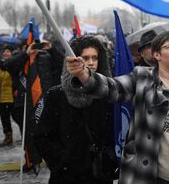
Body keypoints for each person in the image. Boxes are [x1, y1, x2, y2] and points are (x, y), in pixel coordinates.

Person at [66, 30, 169, 184]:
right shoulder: (142, 78)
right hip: (149, 174)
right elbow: (112, 88)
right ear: (157, 55)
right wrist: (83, 74)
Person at [34, 36, 117, 184]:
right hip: (67, 176)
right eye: (85, 57)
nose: (91, 62)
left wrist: (109, 156)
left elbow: (114, 132)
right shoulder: (57, 94)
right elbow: (42, 136)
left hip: (99, 174)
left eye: (95, 58)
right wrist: (63, 161)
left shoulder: (108, 95)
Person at [0, 39, 64, 172]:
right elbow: (5, 66)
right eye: (32, 46)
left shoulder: (49, 58)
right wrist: (25, 54)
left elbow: (64, 64)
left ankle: (53, 160)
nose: (36, 49)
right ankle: (31, 160)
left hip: (48, 103)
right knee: (29, 136)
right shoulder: (22, 59)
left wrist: (51, 49)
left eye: (38, 46)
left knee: (51, 135)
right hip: (24, 104)